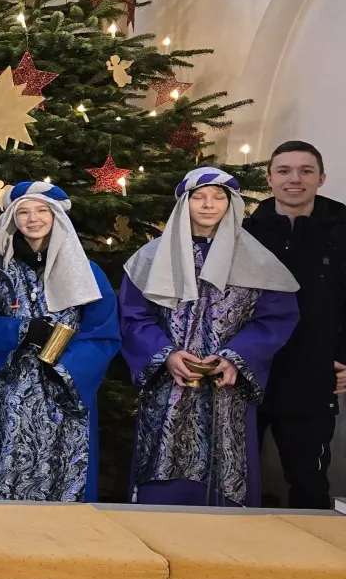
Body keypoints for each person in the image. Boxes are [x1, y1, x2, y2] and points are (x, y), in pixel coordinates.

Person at [121, 168, 300, 506]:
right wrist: (166, 355)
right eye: (199, 197)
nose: (208, 205)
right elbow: (134, 317)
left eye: (218, 197)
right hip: (167, 387)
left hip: (226, 390)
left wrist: (237, 357)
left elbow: (276, 317)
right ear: (184, 203)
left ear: (231, 204)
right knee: (160, 471)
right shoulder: (150, 257)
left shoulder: (257, 260)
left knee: (226, 475)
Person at [0, 182, 121, 503]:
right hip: (7, 394)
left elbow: (102, 332)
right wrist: (20, 331)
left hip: (64, 394)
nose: (33, 219)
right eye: (23, 212)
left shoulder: (89, 272)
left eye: (42, 210)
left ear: (57, 215)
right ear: (12, 218)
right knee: (2, 473)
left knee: (65, 475)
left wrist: (68, 366)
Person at [244, 141, 346, 508]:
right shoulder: (246, 232)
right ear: (269, 178)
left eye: (305, 171)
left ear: (321, 177)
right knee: (236, 477)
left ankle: (315, 563)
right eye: (284, 171)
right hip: (249, 372)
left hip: (314, 374)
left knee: (308, 482)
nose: (294, 179)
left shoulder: (341, 228)